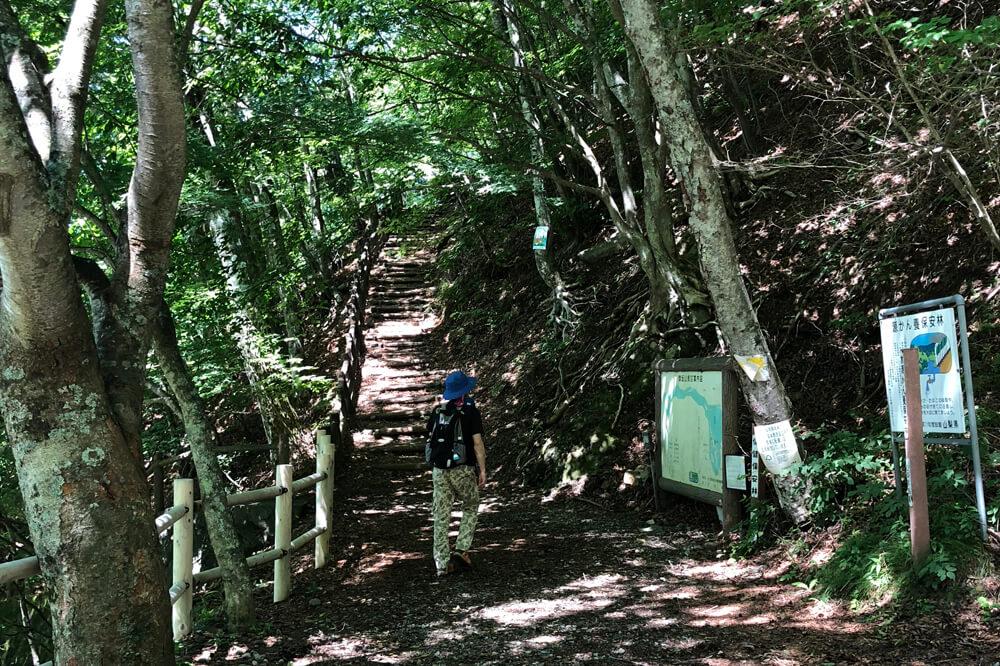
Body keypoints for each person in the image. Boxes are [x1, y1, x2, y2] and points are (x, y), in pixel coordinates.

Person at [427, 370, 486, 576]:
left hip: (439, 470)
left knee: (441, 515)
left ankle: (441, 564)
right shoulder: (470, 411)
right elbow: (477, 443)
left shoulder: (438, 411)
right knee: (470, 504)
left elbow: (430, 437)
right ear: (465, 390)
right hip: (462, 469)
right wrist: (483, 469)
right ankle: (461, 549)